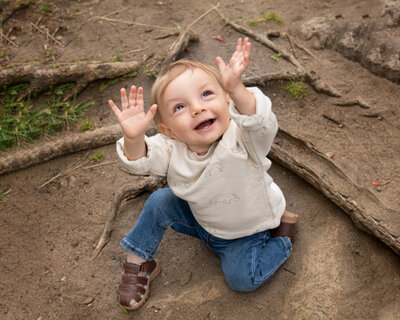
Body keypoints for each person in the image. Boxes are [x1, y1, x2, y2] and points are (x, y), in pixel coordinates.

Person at [108, 37, 298, 311]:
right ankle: (139, 262)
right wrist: (134, 137)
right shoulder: (172, 148)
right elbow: (140, 160)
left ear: (228, 103)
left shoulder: (243, 138)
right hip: (201, 220)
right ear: (169, 130)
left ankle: (282, 239)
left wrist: (237, 87)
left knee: (242, 279)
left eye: (207, 94)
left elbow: (260, 123)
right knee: (160, 201)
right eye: (180, 107)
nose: (197, 108)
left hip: (246, 231)